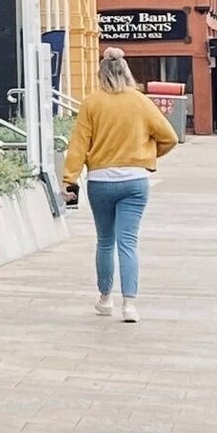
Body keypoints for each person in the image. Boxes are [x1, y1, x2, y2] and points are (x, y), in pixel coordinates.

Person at [61, 48, 179, 322]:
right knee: (128, 242)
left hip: (100, 181)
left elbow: (79, 144)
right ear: (126, 72)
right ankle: (129, 305)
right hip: (135, 181)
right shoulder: (140, 101)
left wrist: (69, 178)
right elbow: (170, 137)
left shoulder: (91, 103)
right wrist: (148, 155)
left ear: (101, 74)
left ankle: (105, 299)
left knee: (105, 242)